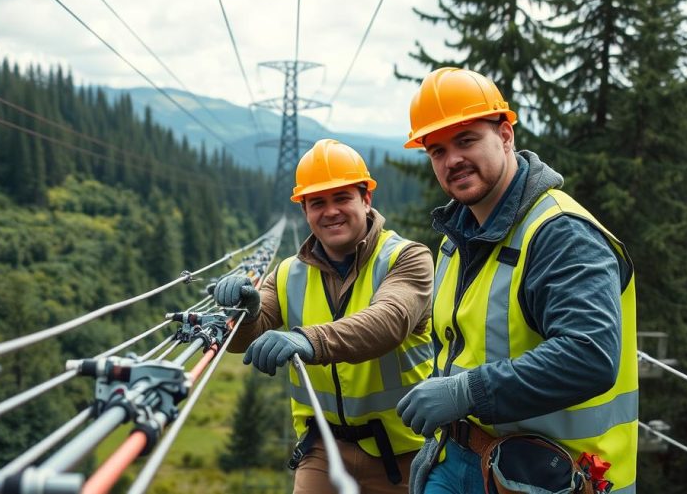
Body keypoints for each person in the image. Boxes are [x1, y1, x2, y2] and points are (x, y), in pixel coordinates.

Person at [395, 68, 638, 493]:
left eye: (466, 140)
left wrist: (464, 391)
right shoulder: (456, 238)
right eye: (437, 150)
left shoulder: (560, 233)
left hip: (549, 475)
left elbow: (589, 355)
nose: (452, 160)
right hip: (460, 458)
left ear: (505, 135)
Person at [212, 138, 435, 494]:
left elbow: (389, 321)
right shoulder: (287, 274)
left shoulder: (407, 258)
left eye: (342, 198)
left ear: (366, 199)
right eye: (317, 202)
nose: (330, 211)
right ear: (305, 211)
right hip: (321, 449)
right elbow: (239, 341)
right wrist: (243, 312)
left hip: (404, 451)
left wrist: (306, 339)